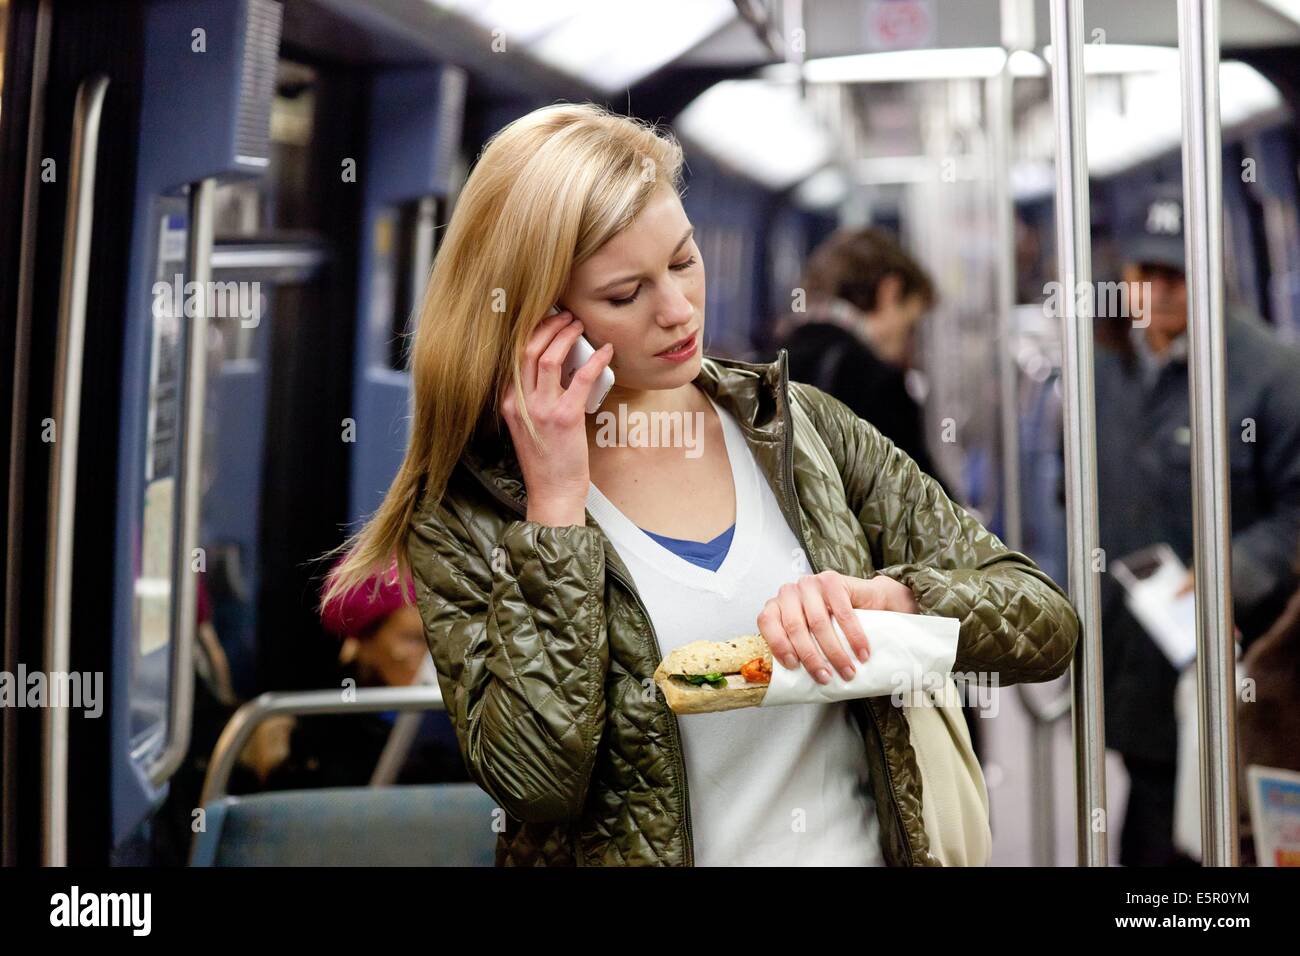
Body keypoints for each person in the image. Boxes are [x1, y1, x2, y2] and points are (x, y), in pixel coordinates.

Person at [324, 103, 1080, 866]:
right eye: (626, 295)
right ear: (542, 323)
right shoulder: (470, 512)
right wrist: (555, 515)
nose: (679, 311)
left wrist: (899, 599)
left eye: (684, 260)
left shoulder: (802, 431)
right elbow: (538, 783)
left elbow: (1046, 623)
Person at [1092, 183, 1300, 866]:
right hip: (1130, 660)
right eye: (1146, 273)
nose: (1161, 291)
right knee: (1150, 824)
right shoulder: (1102, 367)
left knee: (1211, 839)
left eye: (1177, 274)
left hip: (1232, 661)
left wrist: (1230, 574)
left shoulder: (1270, 374)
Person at [774, 228, 945, 488]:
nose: (908, 347)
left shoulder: (763, 368)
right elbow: (932, 513)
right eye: (910, 327)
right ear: (890, 291)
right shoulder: (879, 385)